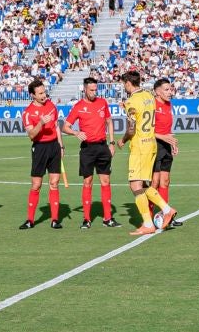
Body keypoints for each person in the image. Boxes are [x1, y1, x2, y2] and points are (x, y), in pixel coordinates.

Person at [119, 71, 177, 235]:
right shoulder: (149, 96)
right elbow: (143, 109)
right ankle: (166, 210)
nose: (125, 87)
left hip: (139, 147)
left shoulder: (131, 101)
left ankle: (149, 223)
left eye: (125, 84)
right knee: (144, 185)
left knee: (135, 186)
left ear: (129, 84)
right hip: (151, 145)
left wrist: (123, 140)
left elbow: (131, 129)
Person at [63, 76, 116, 228]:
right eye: (91, 90)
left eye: (95, 89)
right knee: (87, 182)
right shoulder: (78, 106)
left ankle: (108, 218)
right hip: (87, 149)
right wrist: (75, 133)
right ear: (84, 89)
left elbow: (109, 121)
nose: (94, 92)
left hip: (102, 147)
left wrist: (112, 143)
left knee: (105, 181)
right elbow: (65, 127)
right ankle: (86, 219)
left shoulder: (102, 103)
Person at [22, 76, 67, 229]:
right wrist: (41, 122)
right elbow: (31, 135)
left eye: (44, 92)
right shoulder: (28, 113)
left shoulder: (52, 106)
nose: (43, 95)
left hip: (54, 146)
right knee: (36, 184)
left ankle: (55, 220)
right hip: (39, 148)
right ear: (32, 95)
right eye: (40, 93)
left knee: (54, 183)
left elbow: (56, 127)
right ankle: (30, 220)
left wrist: (61, 146)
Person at [151, 79, 178, 210]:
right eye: (166, 90)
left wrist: (172, 143)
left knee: (165, 181)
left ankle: (165, 214)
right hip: (153, 146)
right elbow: (146, 131)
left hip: (166, 146)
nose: (170, 92)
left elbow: (167, 129)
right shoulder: (151, 105)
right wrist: (165, 138)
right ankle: (149, 218)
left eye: (170, 89)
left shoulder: (169, 105)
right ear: (157, 91)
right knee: (154, 182)